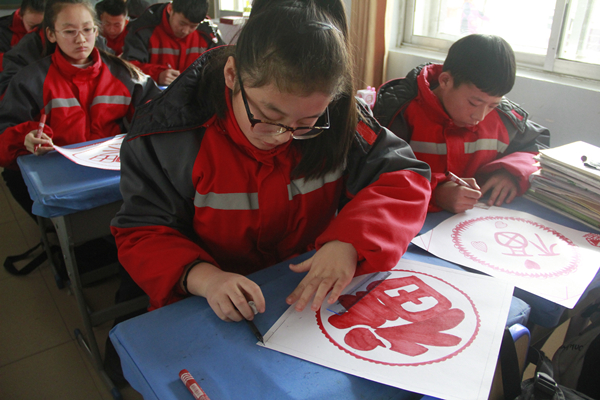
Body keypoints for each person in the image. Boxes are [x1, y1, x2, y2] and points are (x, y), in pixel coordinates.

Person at [110, 0, 431, 326]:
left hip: (301, 296)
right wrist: (206, 278)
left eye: (306, 124)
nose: (282, 136)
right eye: (267, 117)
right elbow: (143, 231)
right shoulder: (170, 136)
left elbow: (403, 177)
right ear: (232, 74)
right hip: (208, 303)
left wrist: (349, 241)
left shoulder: (341, 119)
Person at [0, 0, 160, 219]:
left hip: (116, 175)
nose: (81, 39)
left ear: (96, 31)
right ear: (51, 34)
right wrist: (25, 137)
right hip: (61, 178)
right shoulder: (31, 80)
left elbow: (157, 114)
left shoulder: (126, 75)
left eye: (87, 29)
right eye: (69, 31)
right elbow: (5, 132)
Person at [373, 34, 550, 214]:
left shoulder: (504, 118)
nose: (480, 116)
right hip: (408, 217)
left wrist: (511, 173)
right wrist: (435, 193)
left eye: (492, 105)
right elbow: (376, 172)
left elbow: (538, 147)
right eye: (473, 103)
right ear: (445, 81)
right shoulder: (400, 113)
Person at [121, 0, 223, 86]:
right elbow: (127, 67)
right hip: (153, 97)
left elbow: (221, 66)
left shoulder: (208, 33)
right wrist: (157, 75)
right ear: (170, 9)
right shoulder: (143, 29)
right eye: (182, 23)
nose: (185, 31)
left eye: (193, 26)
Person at [0, 0, 44, 71]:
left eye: (41, 26)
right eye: (32, 25)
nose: (36, 30)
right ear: (20, 15)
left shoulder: (53, 30)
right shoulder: (3, 31)